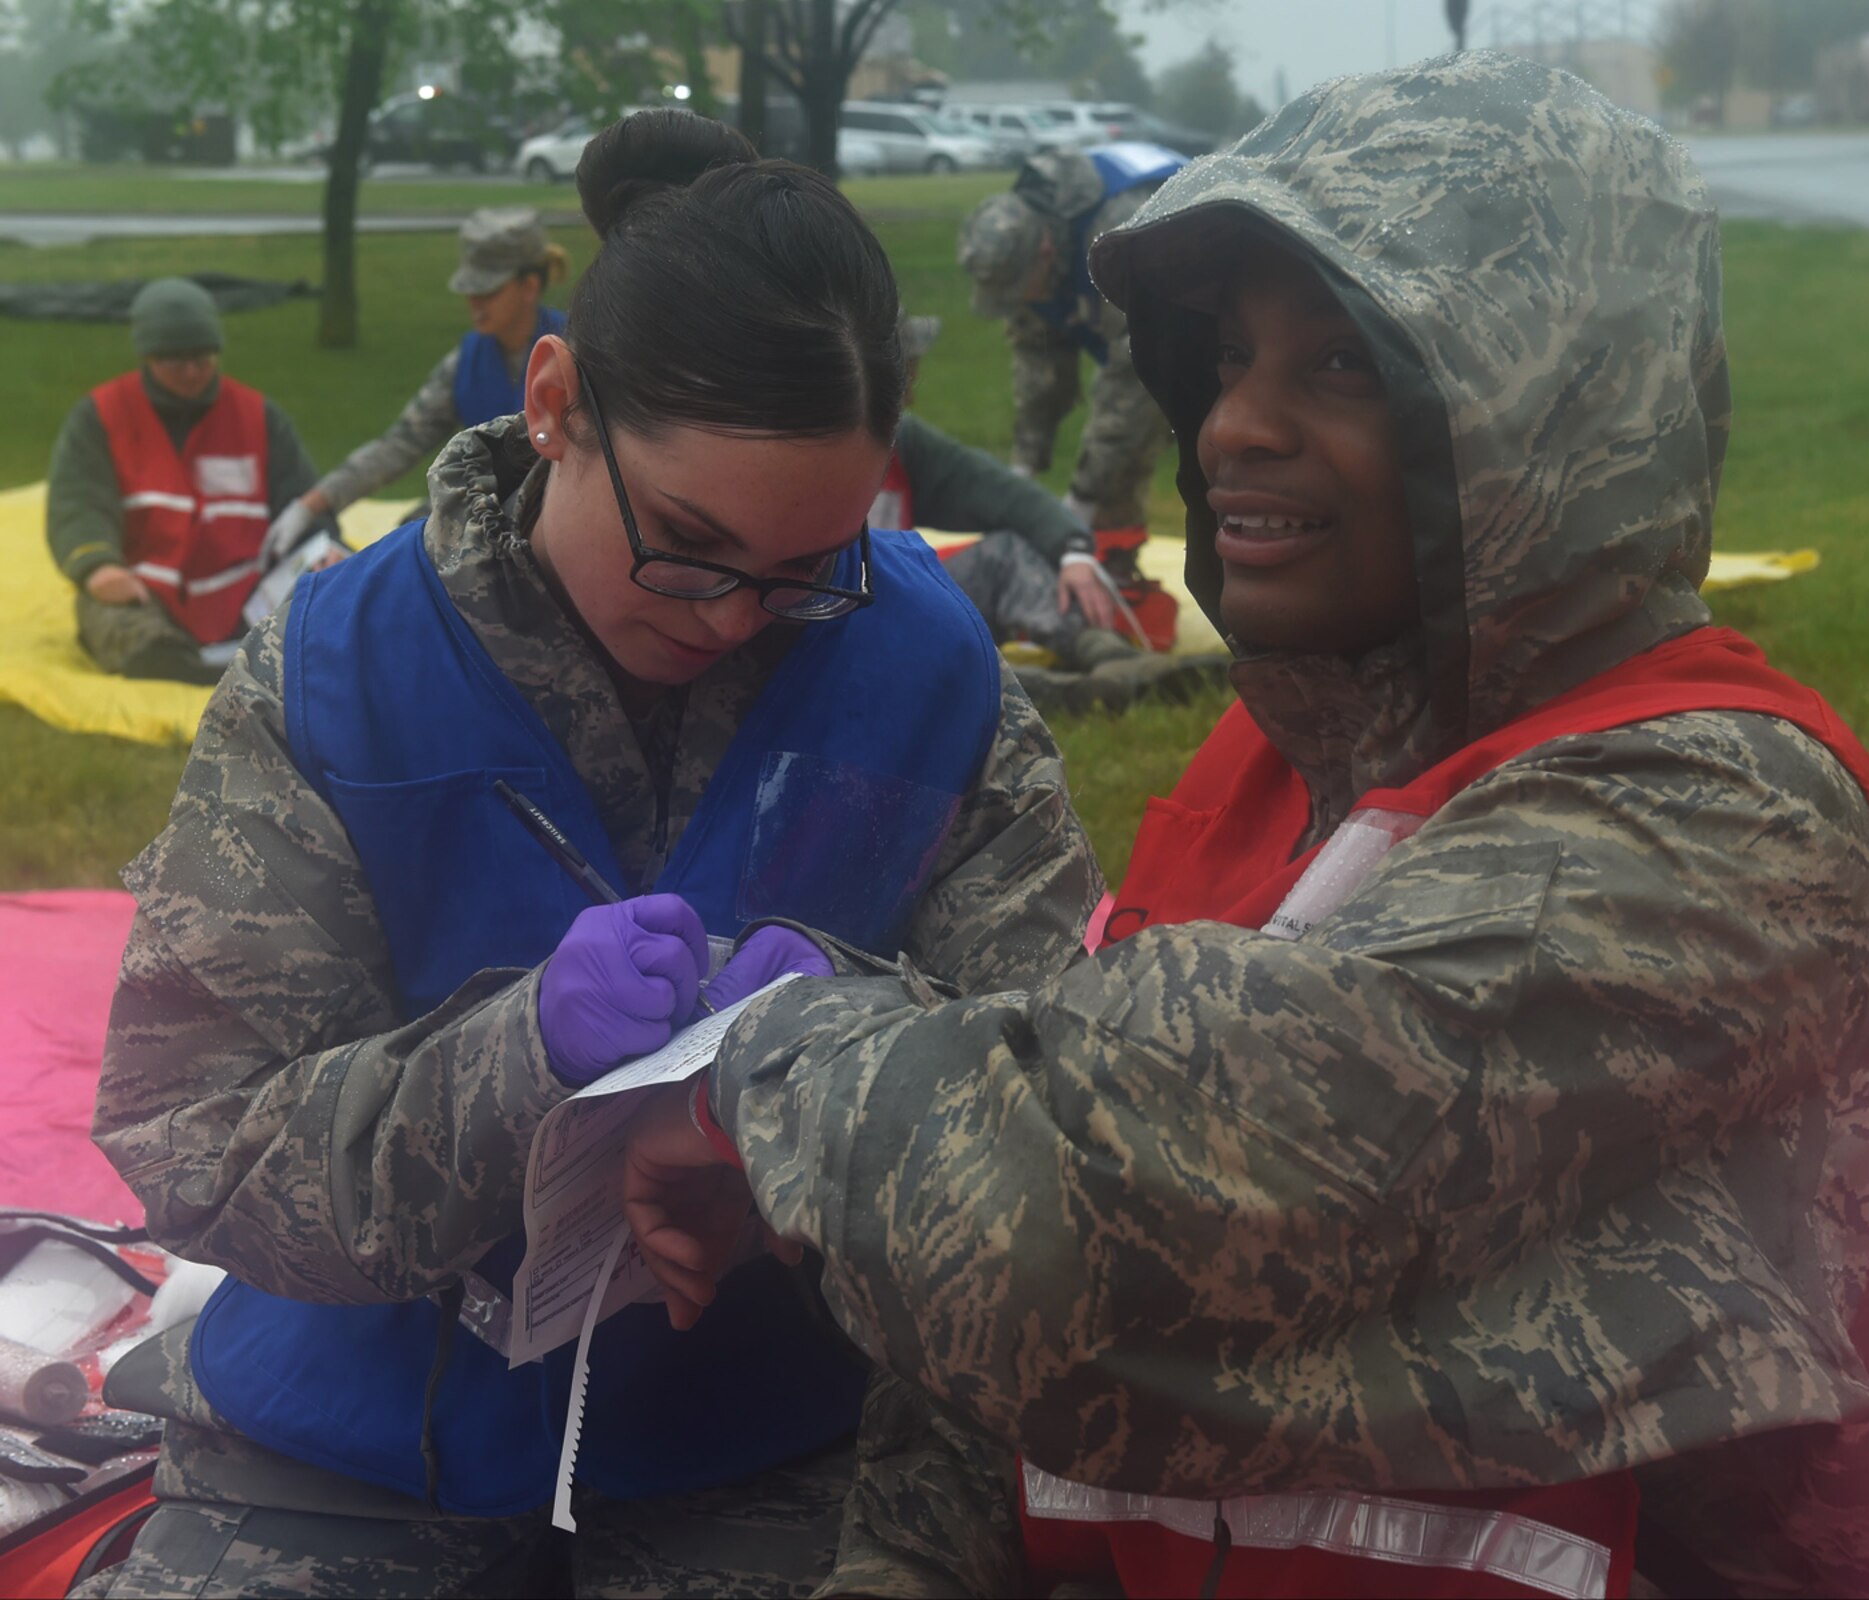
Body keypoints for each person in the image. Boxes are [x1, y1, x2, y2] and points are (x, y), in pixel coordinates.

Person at [620, 56, 1869, 1597]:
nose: (1231, 429)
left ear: (1552, 404)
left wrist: (754, 1074)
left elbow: (1084, 1211)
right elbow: (993, 1399)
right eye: (1224, 357)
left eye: (1343, 365)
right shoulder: (1265, 771)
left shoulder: (1715, 824)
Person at [87, 111, 1099, 1597]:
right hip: (355, 1443)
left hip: (767, 1439)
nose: (734, 620)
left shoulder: (932, 676)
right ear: (555, 401)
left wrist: (838, 1066)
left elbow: (1060, 1105)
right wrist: (511, 1066)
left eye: (810, 572)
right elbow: (191, 1136)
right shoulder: (336, 672)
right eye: (687, 544)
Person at [883, 312, 1224, 714]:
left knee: (1005, 557)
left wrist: (1073, 551)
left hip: (896, 602)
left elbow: (1005, 495)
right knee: (898, 662)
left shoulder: (902, 441)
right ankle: (1056, 692)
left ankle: (1113, 659)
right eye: (905, 377)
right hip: (839, 627)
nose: (911, 398)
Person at [45, 278, 335, 684]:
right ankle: (186, 663)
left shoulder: (259, 417)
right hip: (146, 595)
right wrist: (99, 567)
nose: (192, 373)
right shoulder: (100, 417)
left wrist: (322, 553)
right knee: (102, 611)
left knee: (340, 589)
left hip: (250, 592)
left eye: (203, 359)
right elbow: (78, 502)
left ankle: (248, 654)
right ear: (146, 357)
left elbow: (305, 501)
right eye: (175, 362)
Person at [266, 207, 569, 545]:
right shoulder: (466, 363)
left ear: (528, 286)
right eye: (470, 291)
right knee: (406, 538)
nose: (475, 303)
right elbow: (401, 443)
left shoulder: (575, 355)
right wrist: (311, 505)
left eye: (488, 291)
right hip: (487, 521)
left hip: (559, 524)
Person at [957, 143, 1183, 551]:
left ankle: (1113, 564)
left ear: (1045, 251)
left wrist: (1083, 497)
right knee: (1111, 467)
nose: (1020, 301)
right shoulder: (1034, 236)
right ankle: (1104, 559)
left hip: (1212, 328)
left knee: (1143, 461)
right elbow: (1038, 362)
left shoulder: (1123, 234)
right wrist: (1021, 473)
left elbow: (1135, 375)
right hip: (1151, 333)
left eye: (1019, 287)